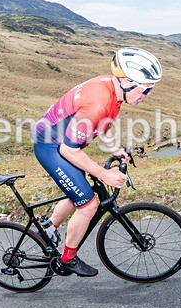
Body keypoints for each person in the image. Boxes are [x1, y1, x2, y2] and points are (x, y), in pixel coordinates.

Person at [32, 47, 162, 277]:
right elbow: (69, 150)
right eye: (146, 89)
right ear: (127, 81)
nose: (148, 95)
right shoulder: (98, 102)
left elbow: (104, 122)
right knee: (88, 204)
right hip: (52, 147)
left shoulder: (113, 90)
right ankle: (68, 259)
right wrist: (105, 174)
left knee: (80, 190)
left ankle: (49, 227)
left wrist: (114, 149)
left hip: (62, 143)